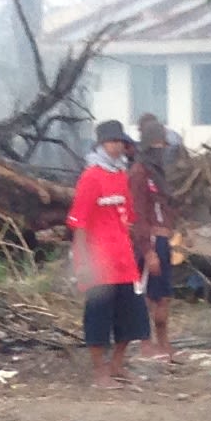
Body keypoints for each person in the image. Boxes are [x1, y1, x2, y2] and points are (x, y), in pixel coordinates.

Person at [71, 120, 149, 387]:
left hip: (123, 260)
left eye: (120, 141)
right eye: (113, 141)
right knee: (99, 319)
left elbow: (128, 217)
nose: (117, 146)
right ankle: (100, 372)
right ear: (102, 143)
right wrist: (82, 262)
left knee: (132, 316)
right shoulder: (91, 177)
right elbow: (79, 224)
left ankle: (117, 365)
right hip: (99, 263)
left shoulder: (120, 176)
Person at [131, 110, 179, 359]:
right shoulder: (139, 172)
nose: (161, 149)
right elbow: (138, 213)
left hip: (163, 238)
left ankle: (164, 341)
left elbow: (167, 206)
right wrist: (148, 252)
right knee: (147, 295)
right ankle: (145, 342)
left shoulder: (160, 174)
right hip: (148, 239)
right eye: (158, 145)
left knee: (163, 294)